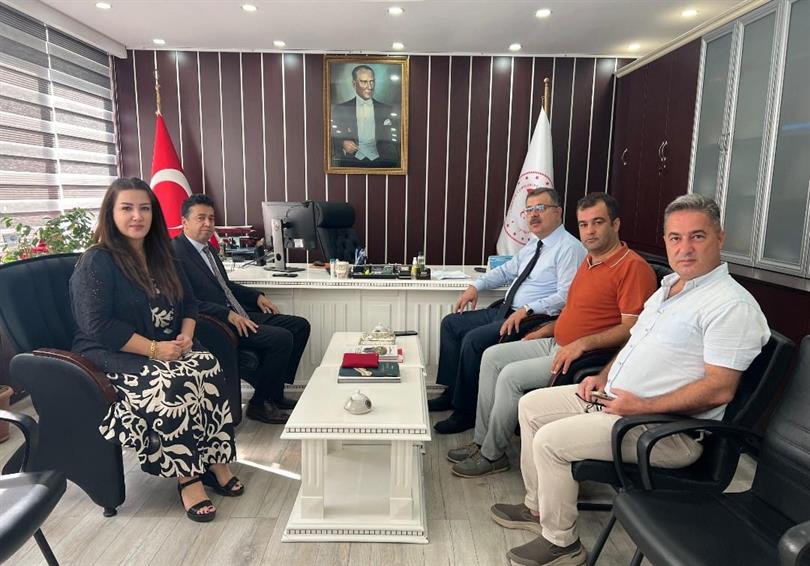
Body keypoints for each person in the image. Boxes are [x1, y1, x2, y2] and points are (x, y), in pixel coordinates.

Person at [490, 194, 770, 566]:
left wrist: (641, 405)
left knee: (550, 441)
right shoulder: (670, 288)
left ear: (720, 237)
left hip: (664, 430)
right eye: (675, 238)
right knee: (531, 405)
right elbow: (634, 344)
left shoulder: (730, 305)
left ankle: (562, 543)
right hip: (617, 401)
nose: (684, 248)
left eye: (697, 236)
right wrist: (602, 376)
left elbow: (719, 388)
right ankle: (537, 507)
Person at [70, 177, 242, 523]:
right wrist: (153, 349)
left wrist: (187, 336)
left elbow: (190, 303)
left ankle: (214, 459)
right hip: (115, 352)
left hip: (167, 344)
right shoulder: (97, 261)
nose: (137, 216)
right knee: (173, 382)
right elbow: (98, 326)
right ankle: (188, 477)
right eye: (127, 208)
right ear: (111, 214)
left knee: (208, 365)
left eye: (144, 208)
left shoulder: (163, 255)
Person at [448, 192, 657, 477]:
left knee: (510, 376)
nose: (590, 231)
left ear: (616, 224)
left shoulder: (633, 268)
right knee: (491, 357)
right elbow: (572, 308)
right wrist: (547, 328)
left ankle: (492, 454)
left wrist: (581, 343)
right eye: (583, 224)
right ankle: (481, 440)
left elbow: (632, 329)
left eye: (598, 222)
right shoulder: (589, 261)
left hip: (582, 353)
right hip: (555, 339)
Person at [431, 188, 586, 434]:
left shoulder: (570, 249)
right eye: (529, 210)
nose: (533, 215)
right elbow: (506, 271)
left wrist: (528, 308)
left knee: (473, 340)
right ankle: (452, 394)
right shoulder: (535, 244)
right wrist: (475, 286)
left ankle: (466, 412)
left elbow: (566, 296)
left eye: (540, 208)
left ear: (558, 212)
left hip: (533, 319)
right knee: (451, 323)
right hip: (506, 310)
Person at [172, 194, 311, 424]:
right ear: (184, 222)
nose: (208, 223)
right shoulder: (175, 253)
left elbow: (225, 286)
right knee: (281, 338)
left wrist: (256, 296)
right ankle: (259, 404)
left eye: (211, 218)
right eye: (201, 218)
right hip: (216, 324)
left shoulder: (207, 249)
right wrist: (227, 314)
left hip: (237, 314)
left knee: (299, 326)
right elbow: (186, 301)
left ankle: (273, 394)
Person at [331, 64, 399, 167]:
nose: (370, 87)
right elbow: (332, 136)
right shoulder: (340, 109)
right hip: (350, 163)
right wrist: (343, 143)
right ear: (354, 84)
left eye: (372, 81)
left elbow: (395, 140)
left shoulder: (387, 110)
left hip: (382, 163)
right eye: (364, 82)